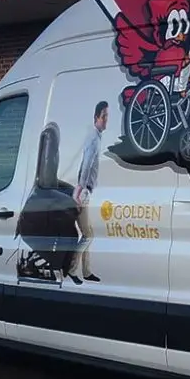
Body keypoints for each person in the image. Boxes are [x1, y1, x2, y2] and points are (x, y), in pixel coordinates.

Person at [70, 101, 108, 285]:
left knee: (88, 232)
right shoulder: (93, 137)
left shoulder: (96, 136)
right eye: (104, 116)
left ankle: (86, 272)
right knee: (88, 235)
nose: (106, 120)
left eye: (107, 116)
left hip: (85, 191)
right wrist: (79, 190)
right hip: (83, 192)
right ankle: (72, 268)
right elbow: (86, 164)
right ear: (96, 118)